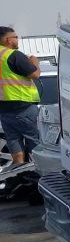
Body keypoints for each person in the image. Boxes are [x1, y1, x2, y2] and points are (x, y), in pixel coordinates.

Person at [0, 26, 41, 172]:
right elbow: (35, 74)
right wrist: (34, 61)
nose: (18, 39)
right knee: (36, 144)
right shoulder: (13, 55)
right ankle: (39, 176)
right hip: (23, 107)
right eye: (15, 37)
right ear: (8, 40)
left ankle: (19, 175)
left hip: (4, 111)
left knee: (14, 144)